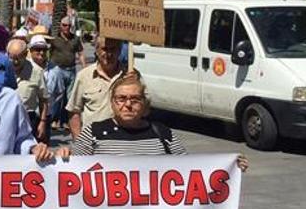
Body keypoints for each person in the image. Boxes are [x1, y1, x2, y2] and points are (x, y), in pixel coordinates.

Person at [60, 72, 249, 172]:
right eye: (121, 99)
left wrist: (228, 166)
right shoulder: (94, 132)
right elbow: (71, 171)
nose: (128, 105)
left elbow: (192, 169)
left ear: (144, 105)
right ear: (112, 103)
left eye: (135, 99)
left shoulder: (162, 133)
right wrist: (62, 156)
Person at [66, 37, 124, 140]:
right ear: (97, 51)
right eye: (105, 49)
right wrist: (79, 142)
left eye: (113, 49)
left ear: (119, 51)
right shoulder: (84, 76)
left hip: (122, 141)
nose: (109, 54)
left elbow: (145, 110)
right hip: (93, 143)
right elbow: (74, 111)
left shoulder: (130, 75)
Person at [7, 39, 50, 142]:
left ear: (26, 54)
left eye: (18, 58)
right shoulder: (2, 69)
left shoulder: (36, 71)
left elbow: (43, 100)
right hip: (7, 119)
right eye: (12, 58)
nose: (15, 62)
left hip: (28, 119)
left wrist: (43, 122)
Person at [48, 17, 85, 130]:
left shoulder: (75, 39)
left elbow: (81, 53)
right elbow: (47, 52)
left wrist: (84, 67)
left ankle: (65, 121)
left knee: (69, 98)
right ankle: (54, 120)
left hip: (71, 70)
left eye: (68, 25)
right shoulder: (54, 38)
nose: (66, 27)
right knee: (58, 95)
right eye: (64, 25)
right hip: (57, 69)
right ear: (60, 25)